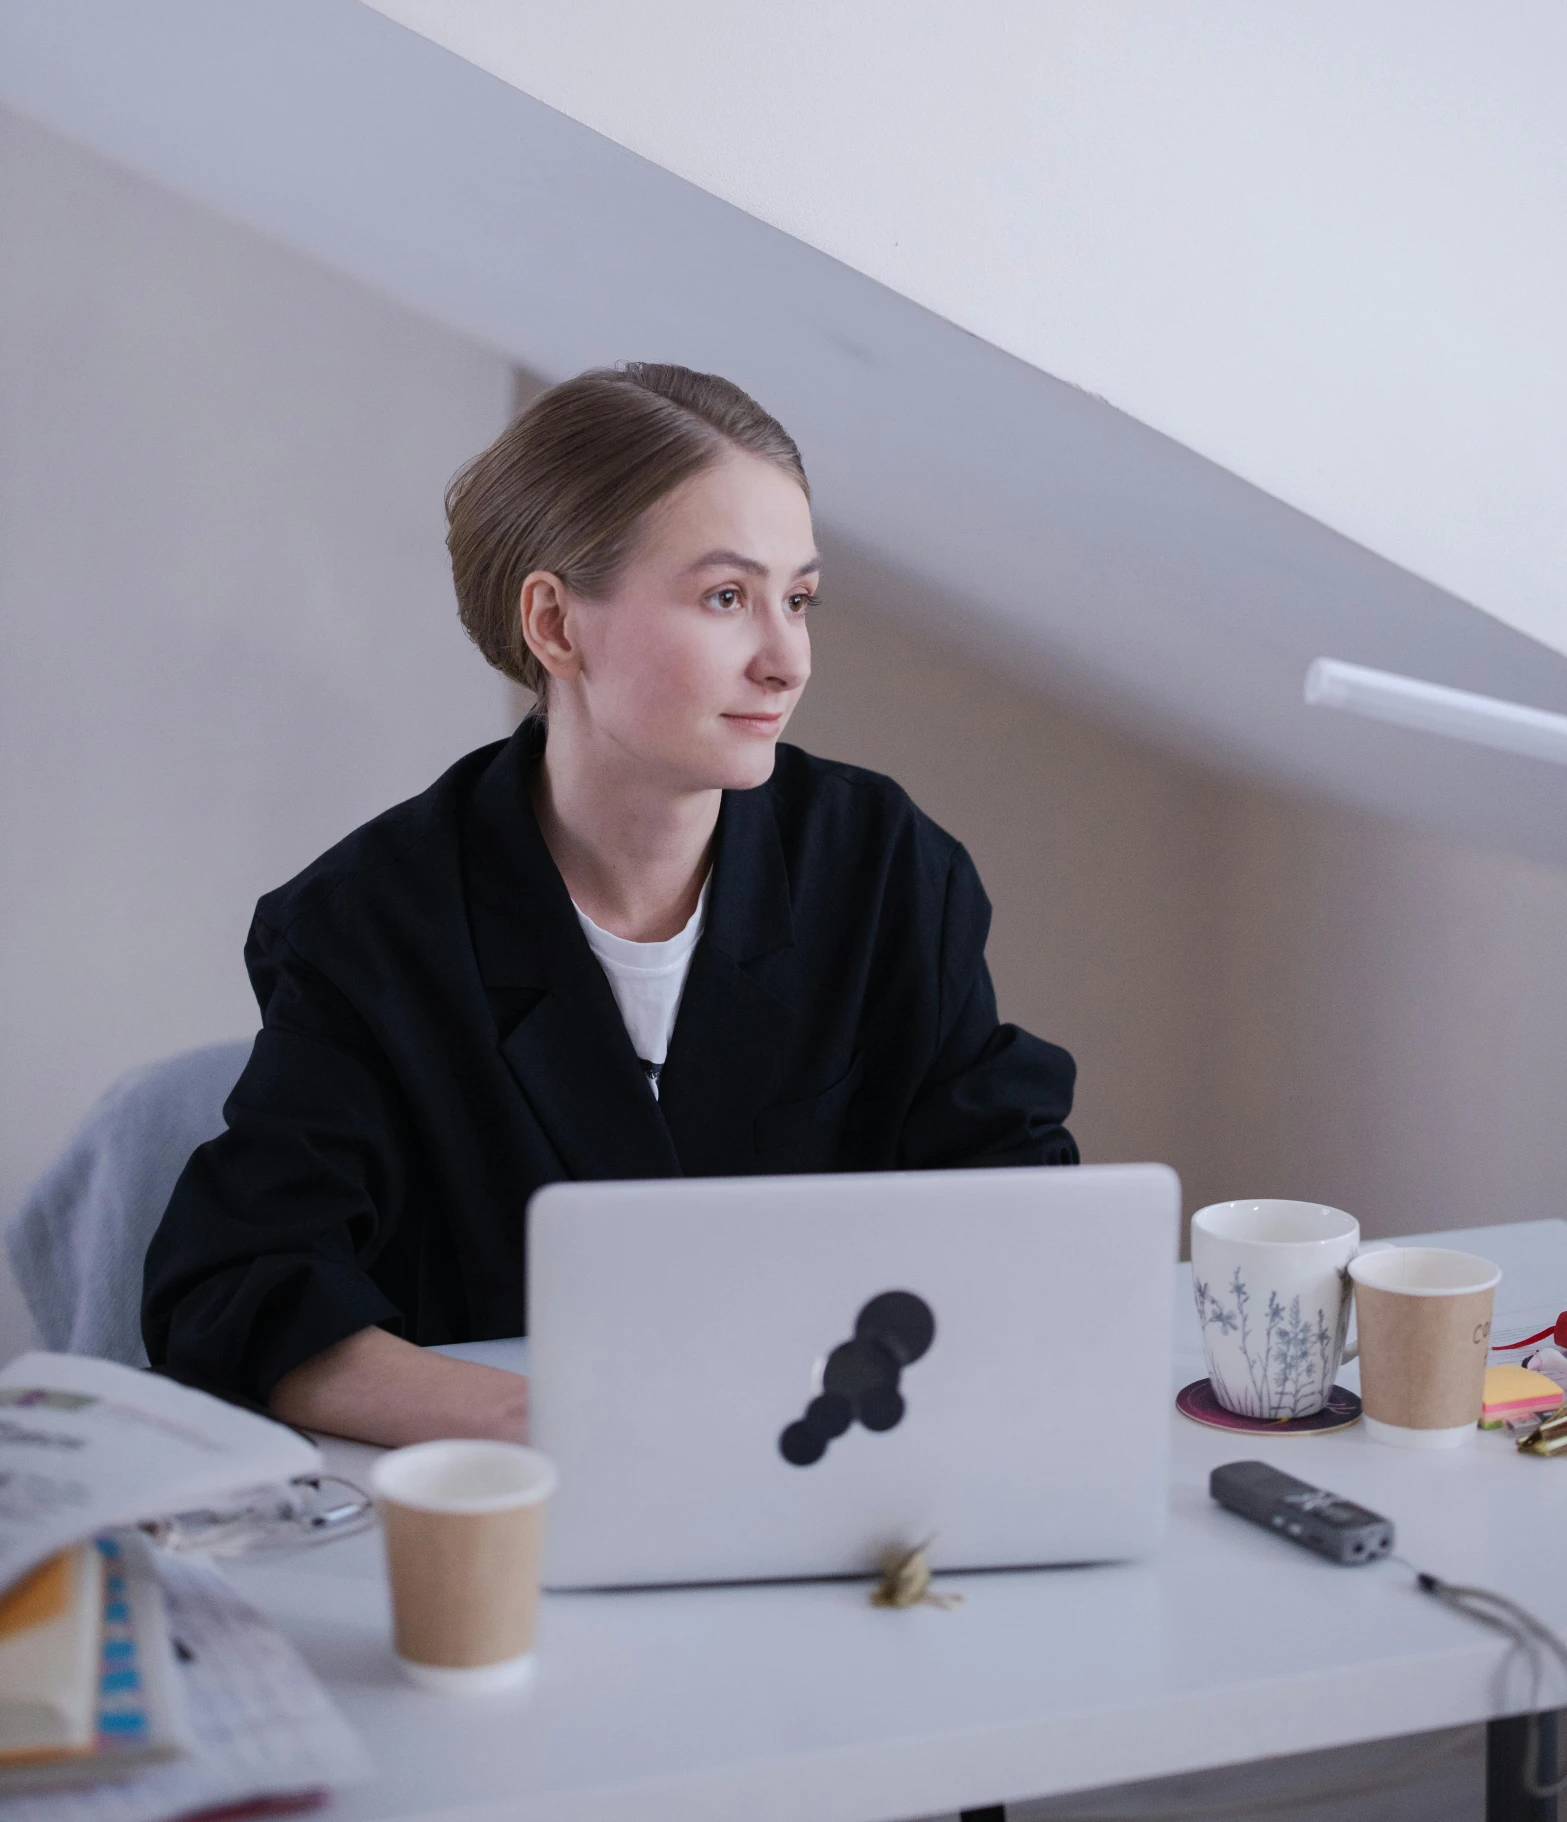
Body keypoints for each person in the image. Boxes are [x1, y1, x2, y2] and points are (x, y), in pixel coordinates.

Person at [143, 364, 1077, 1445]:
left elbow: (1017, 1208)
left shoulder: (884, 868)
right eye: (727, 597)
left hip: (834, 1483)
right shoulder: (371, 922)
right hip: (523, 1519)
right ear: (555, 623)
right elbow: (237, 1290)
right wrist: (565, 1422)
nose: (785, 659)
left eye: (799, 598)